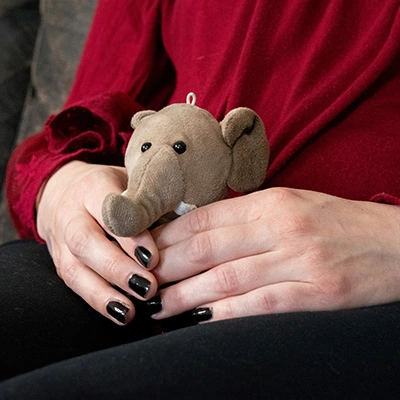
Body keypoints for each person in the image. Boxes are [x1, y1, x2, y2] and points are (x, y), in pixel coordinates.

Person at [1, 0, 400, 397]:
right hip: (148, 256)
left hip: (370, 295)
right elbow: (83, 118)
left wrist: (389, 239)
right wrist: (60, 184)